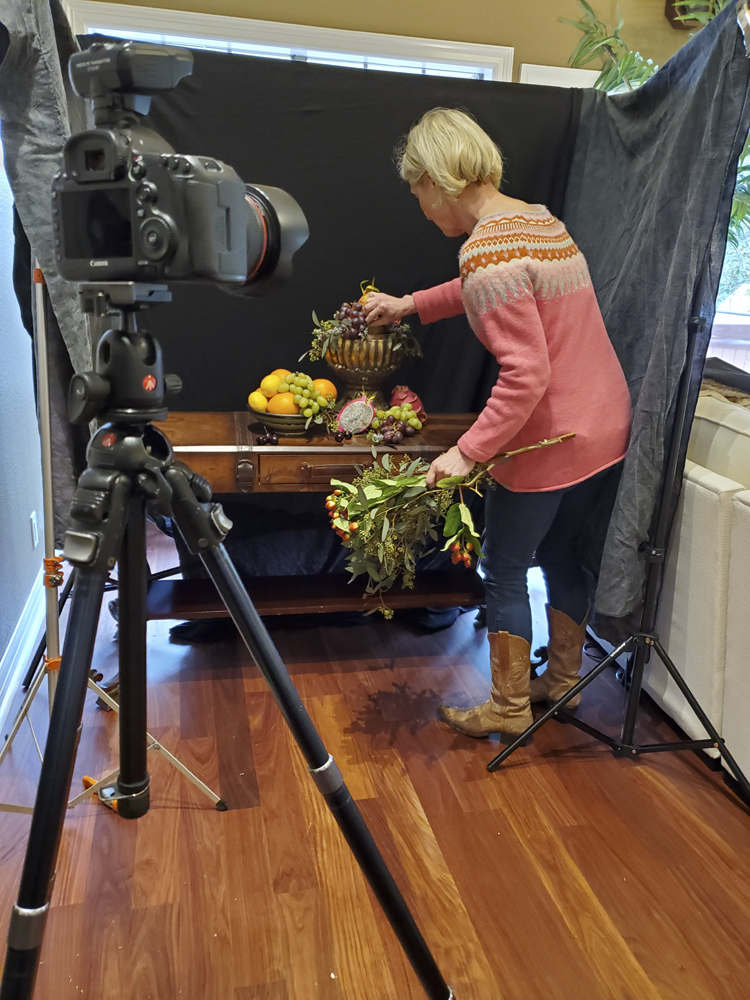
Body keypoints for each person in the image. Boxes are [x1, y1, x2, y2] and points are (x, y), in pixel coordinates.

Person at [364, 108, 632, 741]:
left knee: (505, 565)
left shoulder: (486, 253)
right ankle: (564, 683)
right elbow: (483, 288)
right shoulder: (537, 223)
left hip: (551, 437)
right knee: (563, 552)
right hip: (605, 424)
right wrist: (410, 306)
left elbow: (525, 375)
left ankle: (508, 709)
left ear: (439, 178)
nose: (424, 211)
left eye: (419, 194)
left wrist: (468, 450)